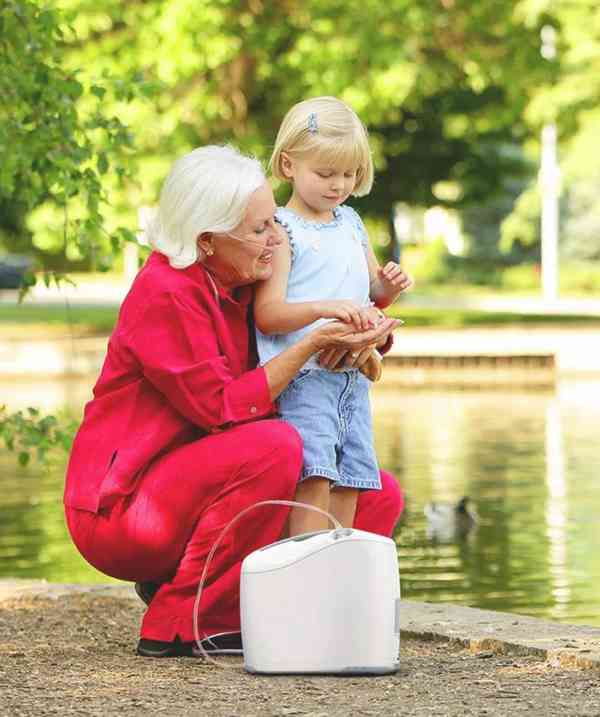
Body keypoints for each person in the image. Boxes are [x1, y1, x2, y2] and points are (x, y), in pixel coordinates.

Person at [63, 144, 404, 659]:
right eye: (259, 229)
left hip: (194, 482)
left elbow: (315, 309)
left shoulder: (243, 279)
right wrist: (311, 342)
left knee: (373, 491)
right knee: (276, 446)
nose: (277, 237)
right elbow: (222, 408)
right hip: (122, 509)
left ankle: (299, 616)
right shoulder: (165, 292)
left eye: (274, 221)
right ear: (206, 241)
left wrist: (362, 337)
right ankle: (183, 619)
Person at [255, 97, 412, 537]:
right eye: (325, 174)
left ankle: (337, 566)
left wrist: (388, 288)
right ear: (288, 165)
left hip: (353, 376)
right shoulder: (284, 230)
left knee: (354, 476)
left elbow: (371, 292)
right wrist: (326, 309)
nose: (338, 185)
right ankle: (304, 565)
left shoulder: (351, 223)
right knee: (315, 473)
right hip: (304, 377)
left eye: (349, 174)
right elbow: (268, 314)